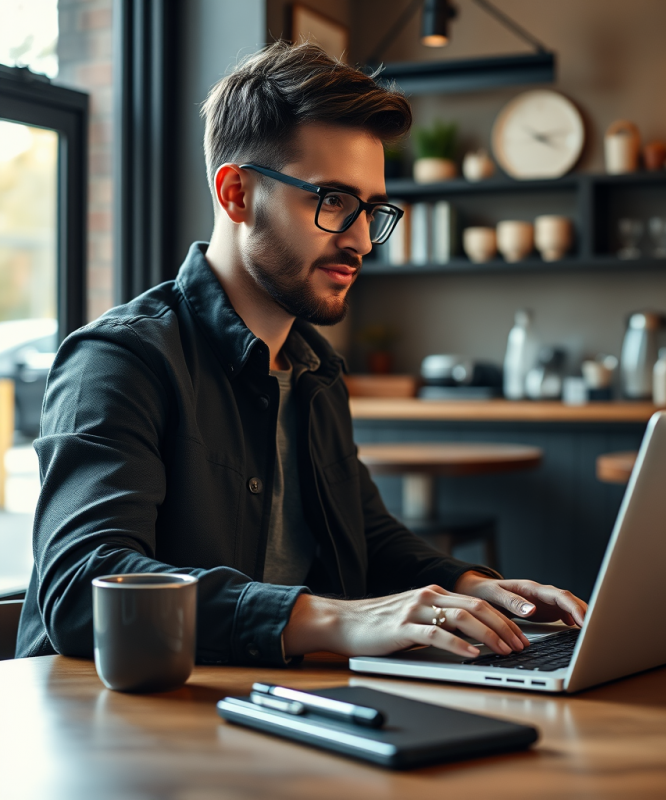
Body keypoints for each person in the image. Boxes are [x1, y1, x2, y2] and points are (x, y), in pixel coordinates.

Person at [16, 42, 586, 664]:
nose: (363, 240)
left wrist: (472, 588)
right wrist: (336, 620)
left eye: (372, 209)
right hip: (121, 725)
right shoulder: (120, 360)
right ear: (236, 195)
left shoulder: (314, 367)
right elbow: (81, 589)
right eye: (334, 201)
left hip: (275, 702)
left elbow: (365, 533)